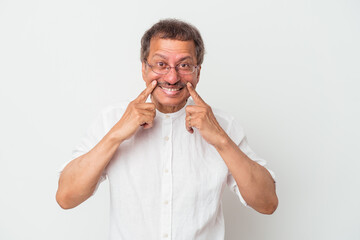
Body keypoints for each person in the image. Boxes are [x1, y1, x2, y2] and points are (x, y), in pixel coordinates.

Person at [56, 19, 278, 240]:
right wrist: (116, 135)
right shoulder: (111, 119)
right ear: (144, 68)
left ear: (198, 72)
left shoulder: (224, 125)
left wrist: (221, 140)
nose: (172, 78)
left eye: (184, 65)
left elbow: (267, 203)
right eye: (161, 64)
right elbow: (67, 197)